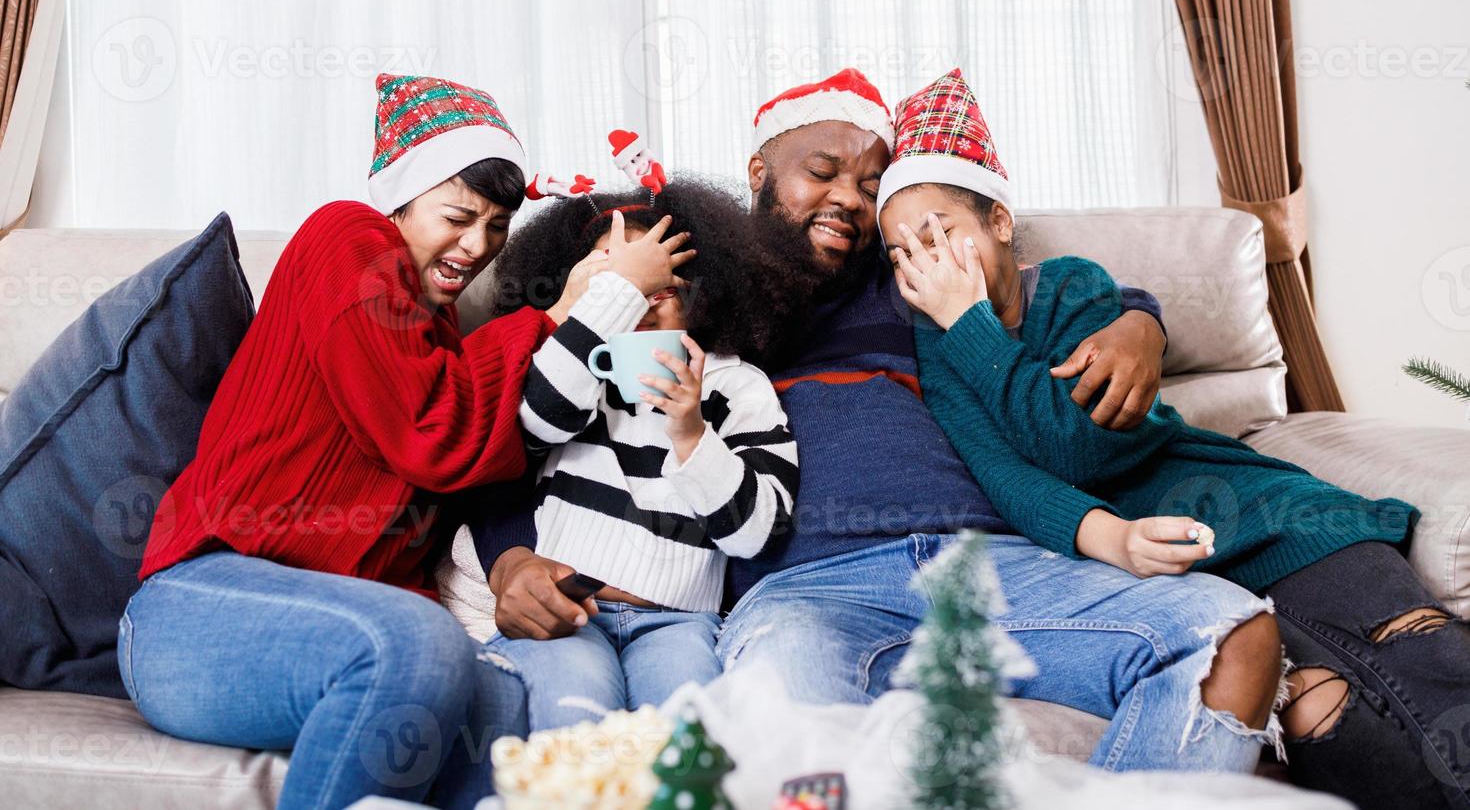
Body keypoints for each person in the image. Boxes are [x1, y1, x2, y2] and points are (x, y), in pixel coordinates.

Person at [478, 69, 1286, 775]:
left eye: (870, 187)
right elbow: (524, 435)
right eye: (821, 173)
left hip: (993, 568)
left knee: (1232, 632)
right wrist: (510, 556)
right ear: (758, 170)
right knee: (785, 740)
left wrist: (1138, 321)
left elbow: (1033, 286)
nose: (848, 202)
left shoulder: (909, 273)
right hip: (809, 596)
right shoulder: (699, 294)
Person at [879, 68, 1467, 808]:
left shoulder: (1069, 287)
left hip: (1270, 516)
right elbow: (1012, 478)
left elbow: (1079, 445)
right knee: (1324, 712)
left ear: (999, 221)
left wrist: (973, 325)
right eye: (902, 253)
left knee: (1420, 652)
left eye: (939, 234)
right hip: (1195, 576)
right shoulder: (935, 347)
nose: (925, 263)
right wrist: (960, 329)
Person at [120, 74, 595, 810]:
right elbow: (429, 432)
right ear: (401, 199)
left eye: (497, 227)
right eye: (459, 217)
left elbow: (471, 457)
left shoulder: (442, 340)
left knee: (513, 711)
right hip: (198, 610)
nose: (477, 246)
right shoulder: (347, 240)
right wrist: (562, 317)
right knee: (415, 646)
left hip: (335, 630)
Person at [441, 177, 797, 730]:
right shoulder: (573, 373)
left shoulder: (738, 386)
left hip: (677, 624)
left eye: (661, 292)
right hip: (571, 609)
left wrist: (691, 432)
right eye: (620, 292)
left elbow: (758, 533)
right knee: (572, 717)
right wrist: (604, 308)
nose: (641, 312)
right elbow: (540, 416)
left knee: (685, 736)